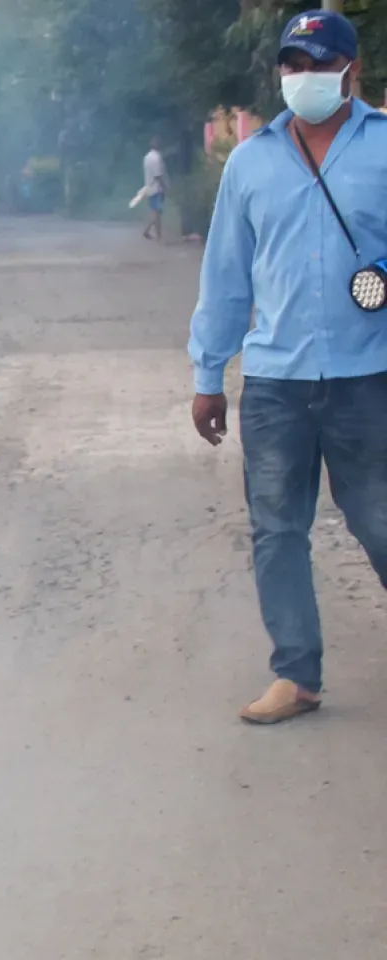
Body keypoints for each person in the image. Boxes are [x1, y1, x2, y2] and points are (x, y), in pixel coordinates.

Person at [188, 10, 387, 725]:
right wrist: (208, 375)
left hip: (369, 377)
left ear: (351, 70)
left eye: (319, 64)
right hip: (276, 382)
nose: (304, 78)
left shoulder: (384, 147)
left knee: (379, 520)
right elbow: (226, 275)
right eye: (293, 66)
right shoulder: (251, 161)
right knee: (277, 532)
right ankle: (296, 676)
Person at [142, 136, 168, 242]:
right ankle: (158, 236)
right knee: (157, 213)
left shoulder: (146, 157)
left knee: (157, 212)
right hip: (157, 188)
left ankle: (148, 231)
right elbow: (158, 175)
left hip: (149, 188)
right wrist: (165, 187)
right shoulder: (157, 158)